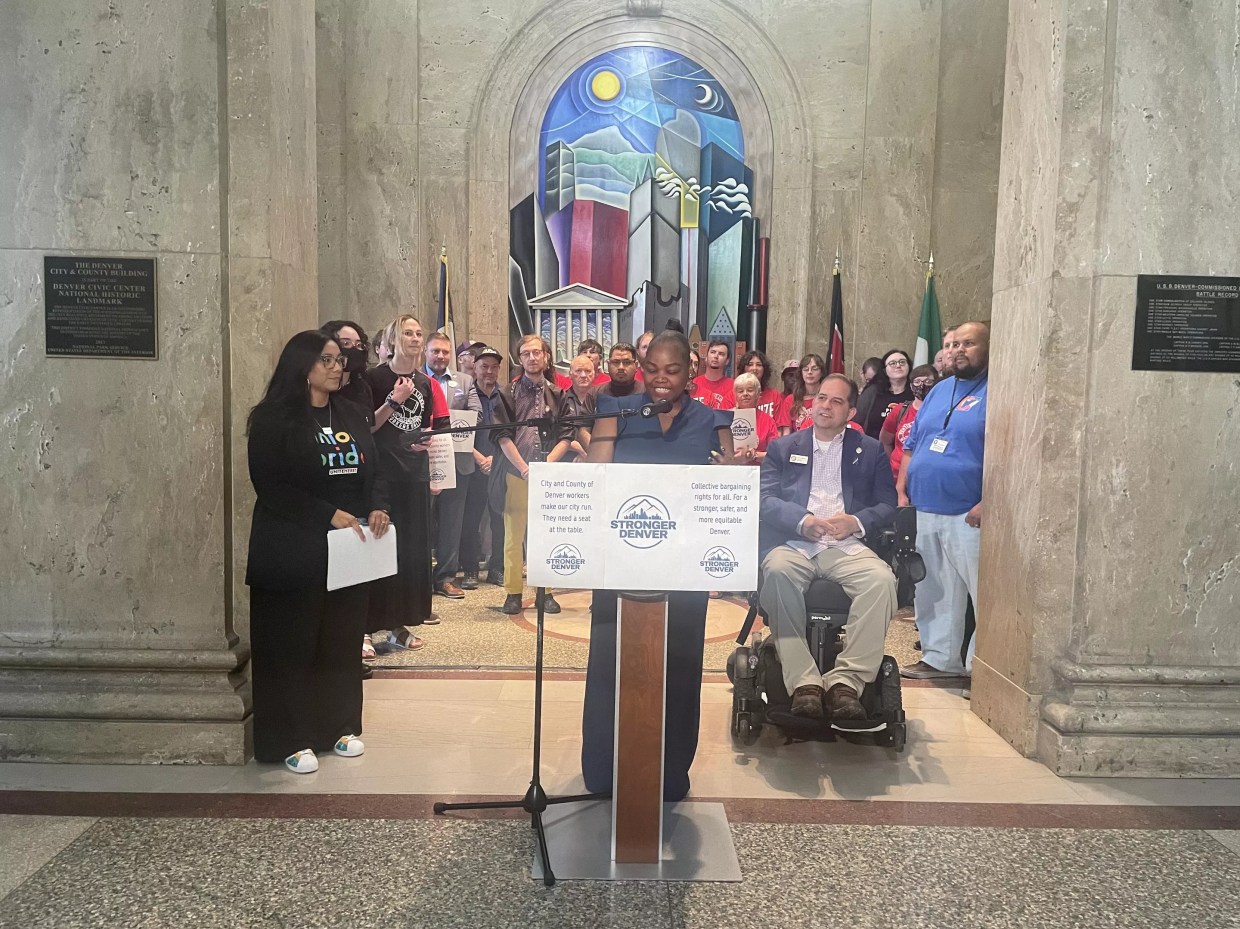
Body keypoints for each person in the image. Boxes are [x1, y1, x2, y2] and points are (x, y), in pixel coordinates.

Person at [582, 329, 740, 802]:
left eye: (671, 371)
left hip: (684, 568)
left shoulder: (714, 420)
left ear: (690, 371)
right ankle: (603, 769)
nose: (659, 380)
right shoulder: (617, 412)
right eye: (652, 370)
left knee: (681, 665)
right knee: (611, 662)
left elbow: (725, 485)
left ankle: (671, 774)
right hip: (623, 563)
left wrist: (731, 473)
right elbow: (597, 477)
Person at [245, 330, 390, 773]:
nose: (336, 367)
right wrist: (328, 513)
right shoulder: (273, 418)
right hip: (293, 550)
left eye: (338, 360)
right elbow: (270, 486)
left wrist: (378, 506)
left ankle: (339, 728)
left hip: (349, 549)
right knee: (293, 643)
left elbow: (373, 469)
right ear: (301, 366)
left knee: (341, 640)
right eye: (326, 359)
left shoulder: (352, 412)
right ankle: (291, 737)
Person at [758, 374, 898, 722]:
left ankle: (846, 682)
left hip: (846, 545)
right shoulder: (783, 447)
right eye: (821, 398)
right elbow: (763, 498)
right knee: (776, 570)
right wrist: (802, 520)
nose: (825, 406)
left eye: (836, 401)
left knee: (881, 580)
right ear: (811, 402)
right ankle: (804, 682)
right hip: (795, 543)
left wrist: (856, 521)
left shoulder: (868, 451)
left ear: (850, 411)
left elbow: (887, 504)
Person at [897, 321, 990, 680]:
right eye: (952, 345)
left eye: (968, 344)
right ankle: (940, 660)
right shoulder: (938, 391)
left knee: (983, 595)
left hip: (970, 512)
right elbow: (912, 444)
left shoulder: (1000, 389)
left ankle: (981, 671)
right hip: (924, 506)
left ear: (987, 348)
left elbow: (1011, 454)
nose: (957, 351)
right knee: (933, 588)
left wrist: (990, 501)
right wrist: (903, 491)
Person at [364, 315, 449, 649]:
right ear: (392, 339)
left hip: (413, 472)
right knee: (377, 550)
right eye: (407, 333)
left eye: (418, 333)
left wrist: (423, 441)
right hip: (381, 474)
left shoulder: (425, 383)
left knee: (409, 551)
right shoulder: (374, 378)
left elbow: (420, 425)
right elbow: (367, 427)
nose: (415, 338)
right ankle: (366, 628)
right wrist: (393, 400)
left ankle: (398, 624)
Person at [493, 334, 574, 615]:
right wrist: (526, 469)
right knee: (514, 537)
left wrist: (545, 466)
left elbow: (567, 435)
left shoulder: (559, 393)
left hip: (547, 476)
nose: (532, 358)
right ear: (520, 359)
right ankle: (513, 593)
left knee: (546, 535)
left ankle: (545, 592)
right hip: (516, 473)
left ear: (546, 357)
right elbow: (502, 435)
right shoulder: (507, 393)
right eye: (526, 353)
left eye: (537, 352)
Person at [425, 331, 483, 600]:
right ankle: (421, 577)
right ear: (426, 352)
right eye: (435, 351)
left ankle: (446, 577)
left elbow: (476, 414)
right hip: (424, 462)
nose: (440, 356)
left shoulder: (466, 380)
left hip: (458, 461)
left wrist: (444, 421)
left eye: (445, 352)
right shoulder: (415, 379)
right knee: (422, 523)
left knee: (452, 523)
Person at [468, 346, 505, 587]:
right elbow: (459, 432)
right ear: (475, 367)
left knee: (499, 520)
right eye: (484, 366)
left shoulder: (507, 396)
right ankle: (470, 569)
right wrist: (480, 458)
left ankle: (497, 569)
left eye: (494, 367)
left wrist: (494, 459)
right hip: (472, 466)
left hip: (501, 467)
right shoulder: (465, 395)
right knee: (470, 520)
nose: (489, 371)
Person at [881, 364, 938, 476]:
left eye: (927, 381)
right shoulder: (900, 410)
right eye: (917, 382)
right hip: (896, 474)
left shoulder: (940, 412)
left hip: (926, 475)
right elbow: (885, 440)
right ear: (911, 386)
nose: (922, 385)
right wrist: (890, 464)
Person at [852, 349, 913, 439]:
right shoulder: (873, 391)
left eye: (902, 362)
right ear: (884, 370)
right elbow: (857, 420)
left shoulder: (916, 392)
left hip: (906, 449)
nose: (898, 365)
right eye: (892, 363)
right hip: (874, 447)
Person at [732, 371, 779, 465]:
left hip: (759, 473)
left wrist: (754, 455)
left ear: (758, 394)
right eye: (740, 391)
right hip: (732, 472)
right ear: (735, 395)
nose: (745, 394)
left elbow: (775, 454)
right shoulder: (725, 417)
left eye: (750, 390)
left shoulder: (768, 421)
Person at [561, 354, 598, 460]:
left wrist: (590, 455)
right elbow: (555, 434)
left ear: (594, 374)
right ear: (570, 375)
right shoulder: (560, 400)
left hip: (598, 459)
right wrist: (580, 450)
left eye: (587, 371)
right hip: (566, 459)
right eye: (578, 371)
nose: (583, 375)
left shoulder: (603, 400)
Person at [780, 353, 825, 433]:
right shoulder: (790, 400)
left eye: (814, 369)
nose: (810, 372)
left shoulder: (827, 399)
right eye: (806, 369)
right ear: (801, 373)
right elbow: (786, 433)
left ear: (821, 373)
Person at [738, 349, 783, 421]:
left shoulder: (774, 395)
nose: (754, 368)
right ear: (743, 369)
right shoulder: (732, 395)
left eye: (758, 365)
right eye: (750, 364)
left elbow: (780, 429)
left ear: (764, 369)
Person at [693, 339, 735, 410]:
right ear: (706, 357)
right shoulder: (694, 383)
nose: (716, 356)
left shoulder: (734, 386)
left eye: (721, 354)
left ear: (727, 361)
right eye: (713, 352)